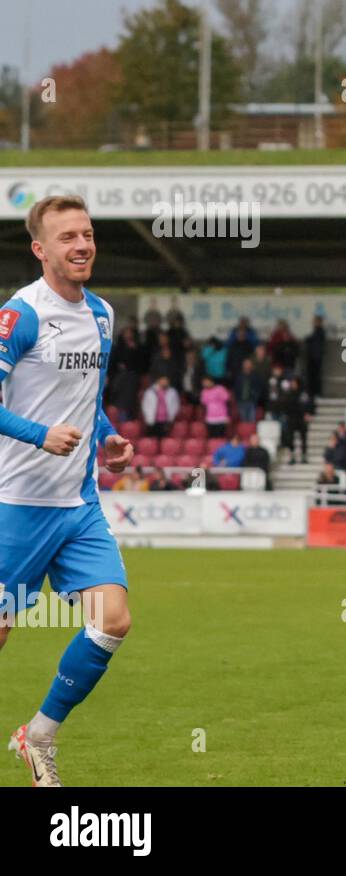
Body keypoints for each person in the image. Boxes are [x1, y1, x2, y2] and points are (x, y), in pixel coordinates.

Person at [0, 196, 137, 786]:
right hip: (16, 505)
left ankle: (38, 736)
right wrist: (40, 435)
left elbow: (88, 399)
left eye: (87, 234)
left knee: (113, 621)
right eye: (67, 238)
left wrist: (108, 438)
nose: (81, 245)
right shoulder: (20, 314)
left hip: (79, 506)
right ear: (40, 249)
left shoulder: (102, 314)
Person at [304, 315, 326, 398]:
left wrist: (308, 339)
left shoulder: (320, 331)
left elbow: (314, 342)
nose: (313, 323)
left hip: (315, 357)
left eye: (315, 321)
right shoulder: (317, 331)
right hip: (314, 356)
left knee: (315, 375)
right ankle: (313, 392)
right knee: (312, 375)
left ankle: (315, 392)